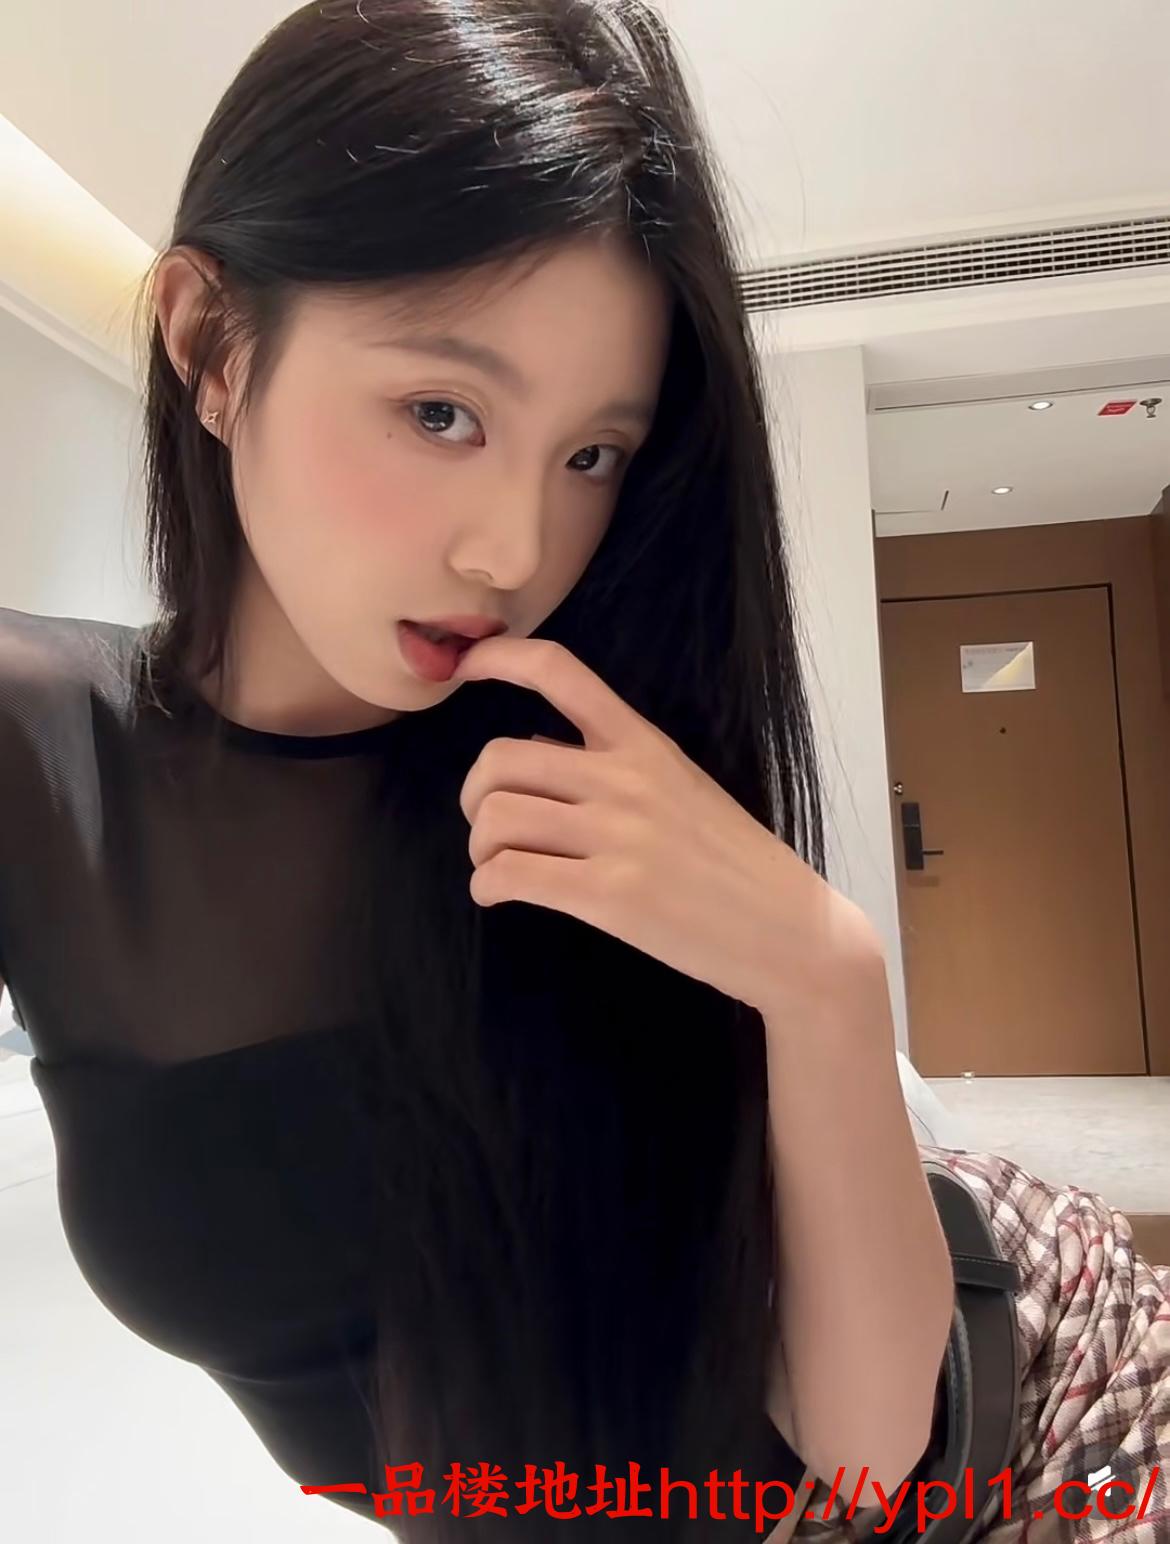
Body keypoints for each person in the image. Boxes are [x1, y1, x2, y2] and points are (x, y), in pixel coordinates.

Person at [0, 2, 960, 1540]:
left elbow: (861, 1466)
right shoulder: (44, 749)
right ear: (209, 345)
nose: (516, 551)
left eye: (591, 455)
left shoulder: (604, 762)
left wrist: (826, 981)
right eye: (441, 413)